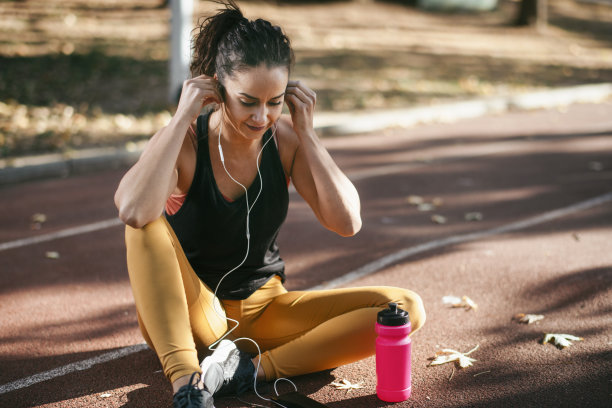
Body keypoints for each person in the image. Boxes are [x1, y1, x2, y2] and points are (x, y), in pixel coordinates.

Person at [114, 1, 426, 407]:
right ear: (217, 87)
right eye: (248, 101)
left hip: (265, 310)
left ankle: (248, 372)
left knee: (403, 309)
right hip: (191, 313)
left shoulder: (285, 141)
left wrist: (308, 136)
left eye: (275, 101)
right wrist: (179, 120)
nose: (262, 116)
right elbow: (133, 211)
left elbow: (348, 222)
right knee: (146, 225)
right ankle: (188, 385)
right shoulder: (187, 142)